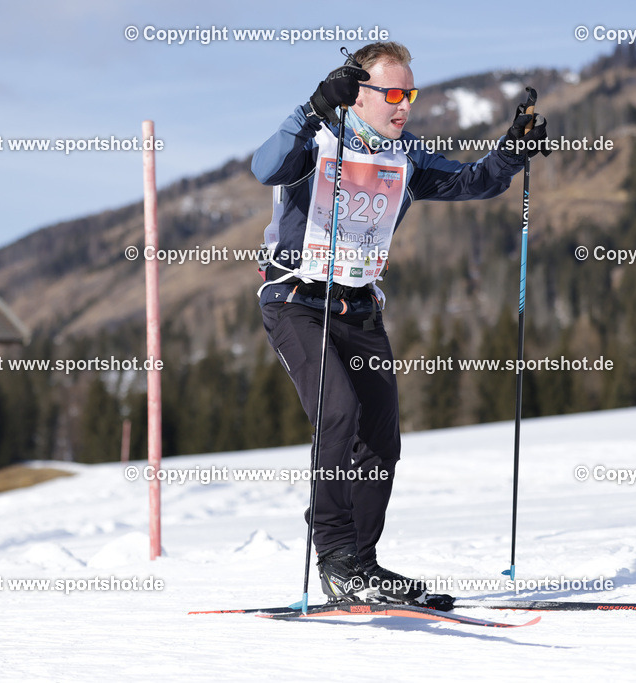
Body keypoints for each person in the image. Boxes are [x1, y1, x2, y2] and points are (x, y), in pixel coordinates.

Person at [251, 41, 548, 607]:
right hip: (296, 301)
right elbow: (264, 166)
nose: (403, 104)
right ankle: (335, 560)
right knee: (337, 412)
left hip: (359, 307)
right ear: (357, 94)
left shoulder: (405, 154)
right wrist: (312, 107)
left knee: (382, 437)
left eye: (408, 93)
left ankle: (363, 562)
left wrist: (512, 153)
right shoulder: (317, 141)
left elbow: (471, 181)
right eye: (391, 93)